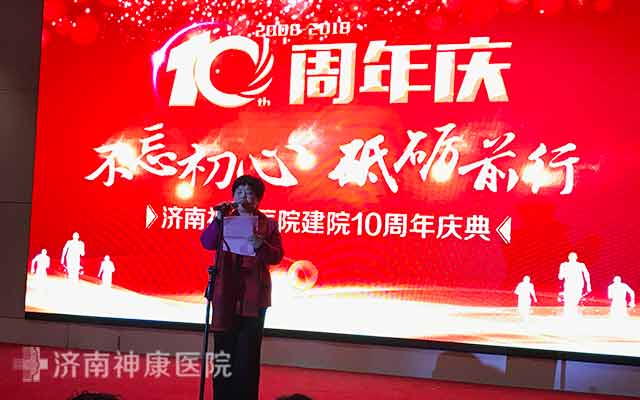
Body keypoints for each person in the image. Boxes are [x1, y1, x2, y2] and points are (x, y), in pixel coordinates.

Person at [200, 175, 284, 400]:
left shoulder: (268, 224)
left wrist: (261, 245)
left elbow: (277, 256)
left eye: (249, 194)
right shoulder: (225, 219)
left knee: (247, 356)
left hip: (254, 297)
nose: (243, 197)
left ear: (258, 199)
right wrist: (218, 219)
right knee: (223, 354)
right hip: (225, 294)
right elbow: (207, 242)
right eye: (239, 192)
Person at [558, 252, 591, 317]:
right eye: (572, 257)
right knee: (570, 301)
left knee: (573, 301)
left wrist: (588, 285)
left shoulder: (581, 265)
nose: (572, 258)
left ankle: (571, 315)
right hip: (570, 285)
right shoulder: (564, 265)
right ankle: (569, 315)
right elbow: (560, 277)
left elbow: (586, 274)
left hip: (577, 285)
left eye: (573, 257)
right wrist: (588, 285)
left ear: (576, 258)